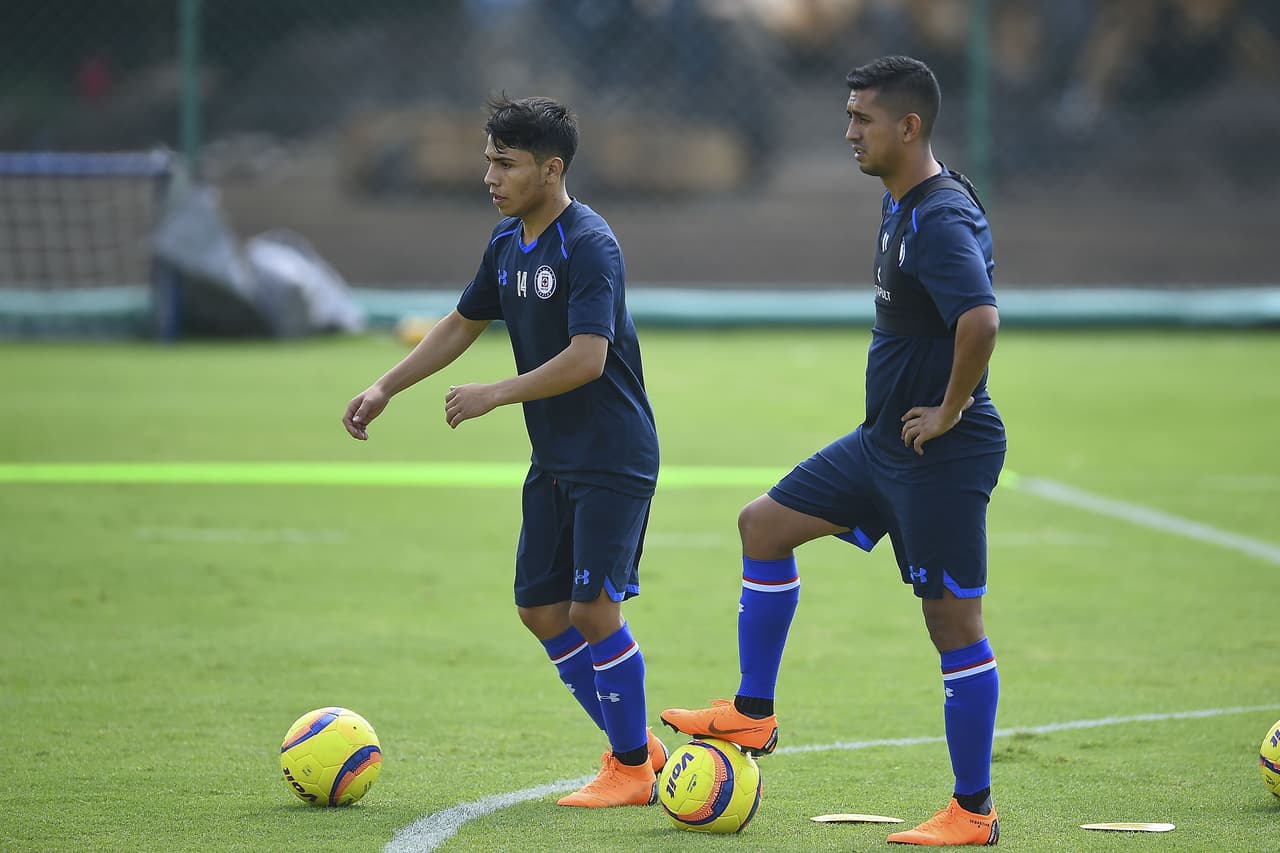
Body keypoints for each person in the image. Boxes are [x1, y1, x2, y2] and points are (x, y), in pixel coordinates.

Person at [661, 56, 1006, 846]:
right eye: (848, 115)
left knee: (952, 624)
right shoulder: (902, 204)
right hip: (880, 445)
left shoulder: (939, 216)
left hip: (939, 458)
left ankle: (973, 812)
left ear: (909, 126)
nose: (848, 131)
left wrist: (950, 410)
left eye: (862, 119)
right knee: (763, 525)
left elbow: (980, 321)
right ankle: (753, 716)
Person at [342, 95, 666, 808]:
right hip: (555, 457)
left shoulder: (589, 242)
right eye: (487, 160)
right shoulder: (505, 241)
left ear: (551, 170)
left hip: (611, 455)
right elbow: (461, 323)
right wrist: (385, 385)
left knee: (593, 612)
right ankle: (634, 741)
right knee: (540, 610)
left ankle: (633, 765)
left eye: (505, 163)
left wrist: (497, 392)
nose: (489, 175)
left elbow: (588, 357)